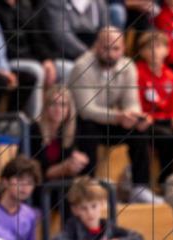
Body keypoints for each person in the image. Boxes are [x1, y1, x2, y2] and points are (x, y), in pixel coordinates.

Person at [68, 27, 162, 204]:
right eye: (105, 48)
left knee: (139, 129)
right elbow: (86, 109)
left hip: (109, 119)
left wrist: (135, 117)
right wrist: (119, 117)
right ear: (96, 46)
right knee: (88, 127)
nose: (110, 54)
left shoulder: (128, 67)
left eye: (115, 48)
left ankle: (139, 187)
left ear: (123, 49)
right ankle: (89, 188)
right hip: (82, 122)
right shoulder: (82, 66)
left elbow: (131, 102)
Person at [135, 31, 173, 187]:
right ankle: (165, 181)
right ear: (142, 52)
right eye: (149, 47)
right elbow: (138, 107)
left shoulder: (171, 75)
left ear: (167, 50)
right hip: (146, 122)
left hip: (166, 120)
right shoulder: (137, 72)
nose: (154, 50)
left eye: (159, 46)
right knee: (166, 136)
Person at [48, 176, 144, 240]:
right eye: (83, 208)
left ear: (102, 203)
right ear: (75, 210)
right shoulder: (72, 227)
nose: (90, 213)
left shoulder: (109, 227)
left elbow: (138, 237)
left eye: (94, 206)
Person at [29, 86, 88, 183]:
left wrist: (79, 161)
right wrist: (65, 166)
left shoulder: (72, 130)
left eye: (63, 105)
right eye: (53, 103)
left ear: (69, 109)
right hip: (38, 184)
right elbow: (40, 172)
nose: (58, 109)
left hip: (61, 184)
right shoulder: (34, 129)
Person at [0, 155, 41, 240]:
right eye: (19, 179)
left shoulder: (30, 215)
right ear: (5, 181)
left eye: (30, 182)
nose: (24, 186)